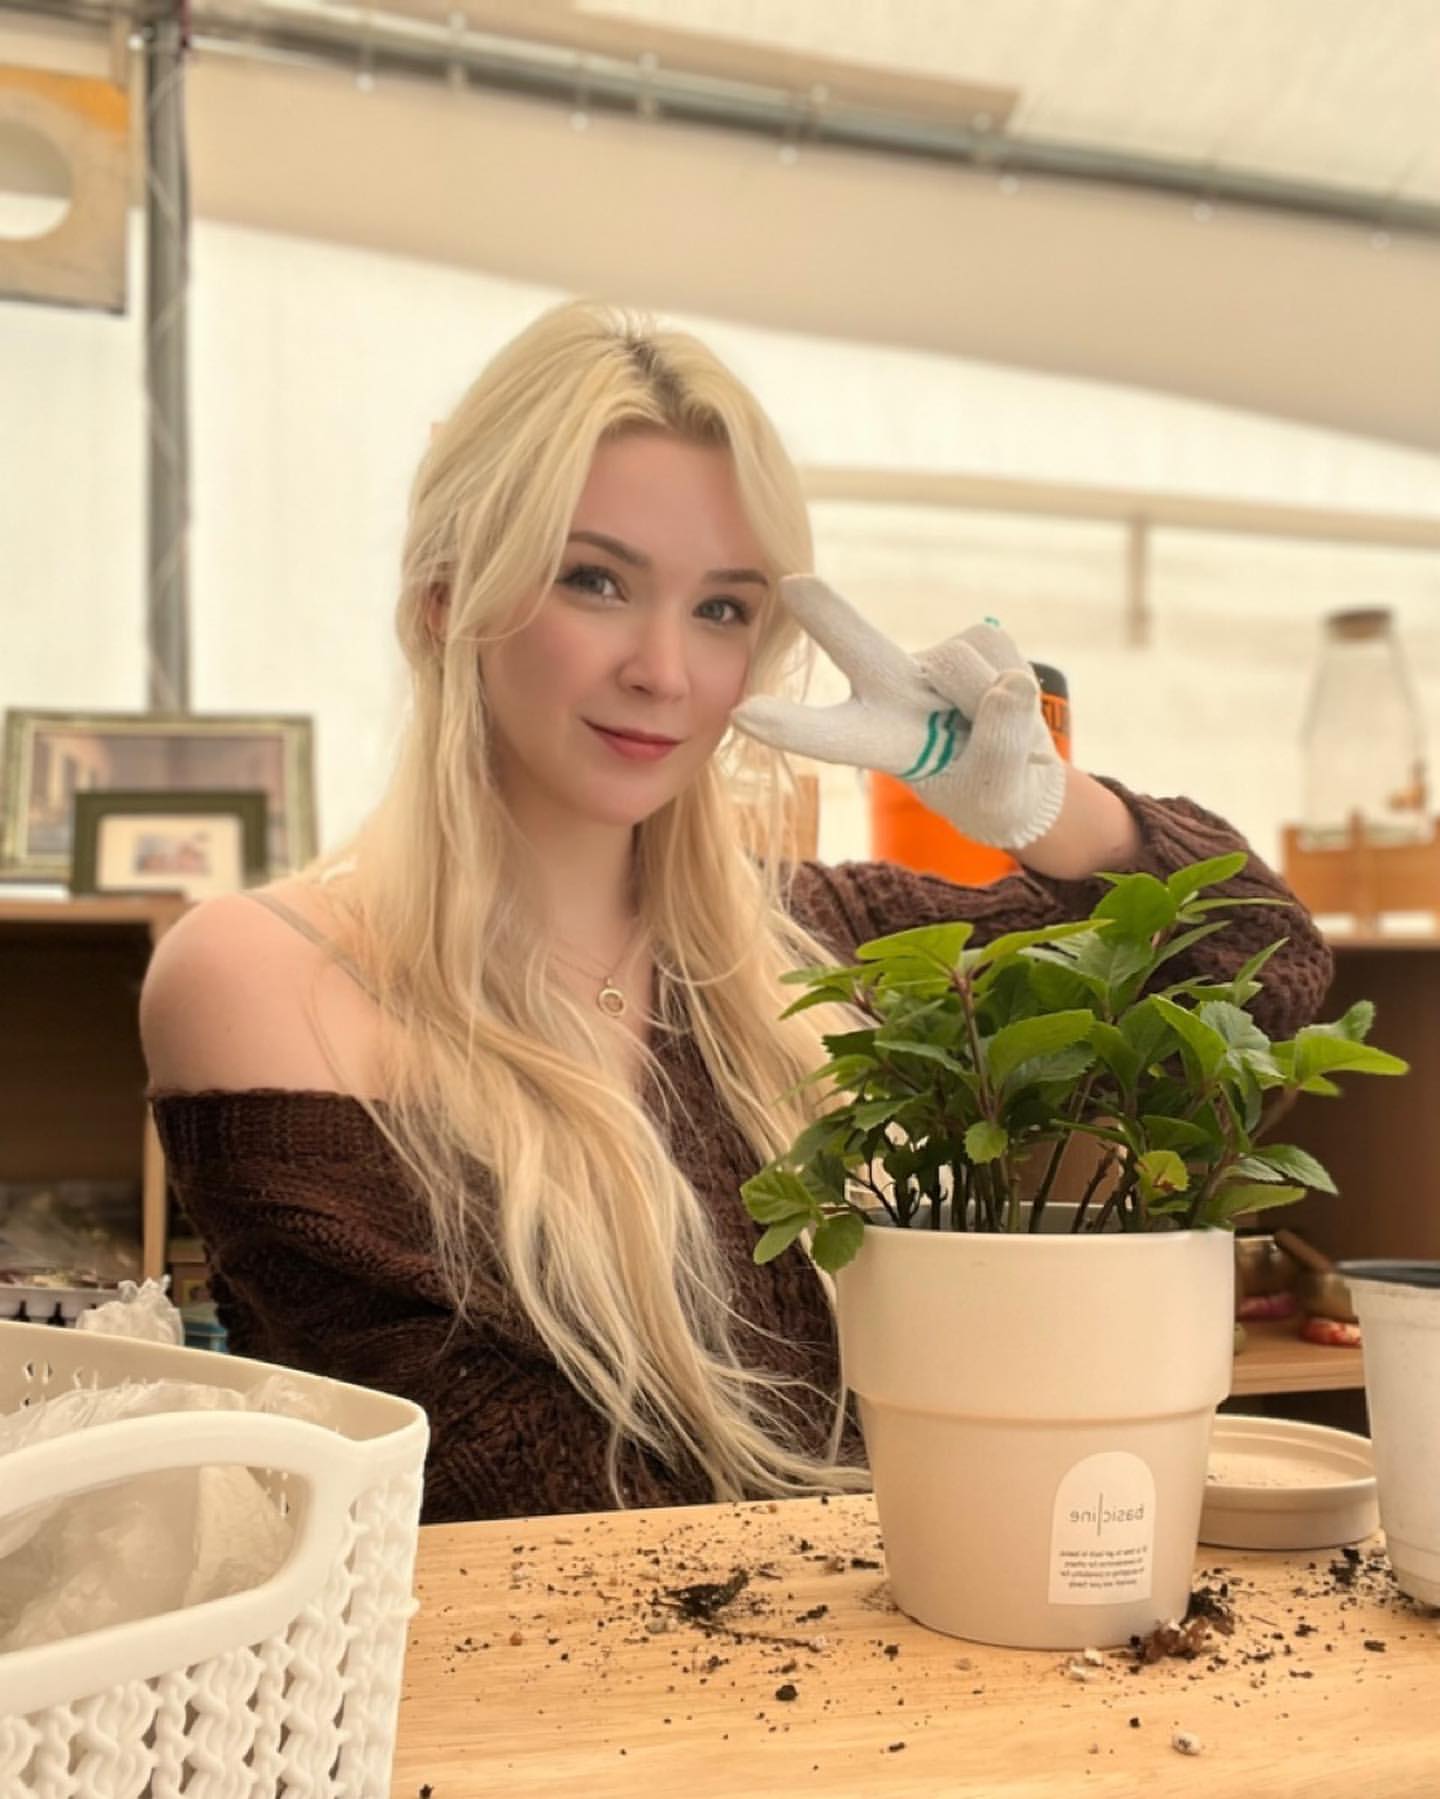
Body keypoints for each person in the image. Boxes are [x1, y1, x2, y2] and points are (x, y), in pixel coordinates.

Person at [140, 299, 1333, 1525]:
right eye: (596, 580)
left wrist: (1049, 807)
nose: (664, 671)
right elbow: (496, 1482)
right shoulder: (268, 976)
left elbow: (1265, 975)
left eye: (721, 608)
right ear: (450, 594)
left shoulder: (823, 944)